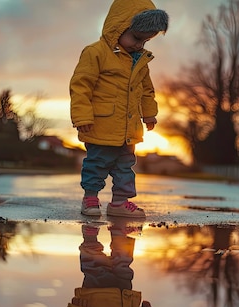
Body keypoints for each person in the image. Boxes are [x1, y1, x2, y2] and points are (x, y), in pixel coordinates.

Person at [70, 0, 169, 218]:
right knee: (96, 164)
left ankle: (119, 202)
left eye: (144, 41)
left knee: (125, 167)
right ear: (119, 27)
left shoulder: (140, 60)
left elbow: (146, 90)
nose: (139, 45)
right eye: (135, 37)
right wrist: (82, 116)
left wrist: (149, 113)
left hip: (129, 130)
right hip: (100, 124)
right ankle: (90, 198)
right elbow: (80, 85)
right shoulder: (95, 53)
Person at [64, 218, 153, 307]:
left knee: (95, 268)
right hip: (125, 302)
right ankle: (121, 233)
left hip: (98, 303)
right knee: (123, 267)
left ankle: (90, 235)